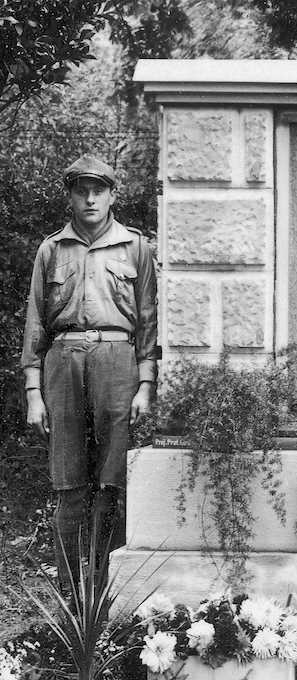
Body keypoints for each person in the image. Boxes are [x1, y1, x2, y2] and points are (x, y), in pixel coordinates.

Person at [21, 154, 158, 592]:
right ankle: (69, 594)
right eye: (82, 190)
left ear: (113, 195)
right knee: (69, 480)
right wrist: (33, 390)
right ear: (71, 196)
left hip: (118, 362)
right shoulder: (51, 249)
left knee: (112, 479)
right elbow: (36, 322)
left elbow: (150, 321)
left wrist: (145, 383)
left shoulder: (135, 247)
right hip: (63, 362)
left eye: (99, 190)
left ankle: (105, 591)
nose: (91, 198)